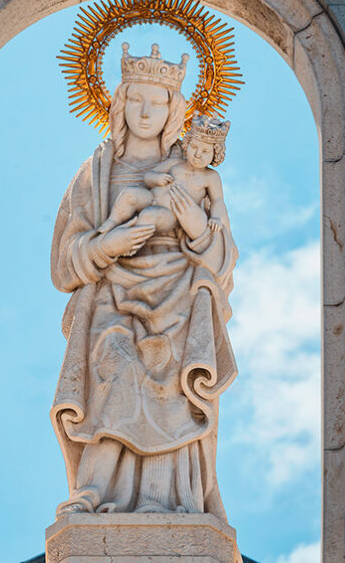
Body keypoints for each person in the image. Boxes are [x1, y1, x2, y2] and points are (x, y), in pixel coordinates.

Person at [50, 43, 238, 517]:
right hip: (112, 295)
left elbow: (222, 257)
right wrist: (104, 246)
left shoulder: (197, 172)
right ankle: (93, 491)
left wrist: (196, 227)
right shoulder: (96, 174)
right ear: (120, 101)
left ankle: (166, 497)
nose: (147, 111)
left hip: (178, 297)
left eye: (159, 101)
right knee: (116, 372)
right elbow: (64, 262)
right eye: (137, 99)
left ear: (175, 108)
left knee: (172, 390)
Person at [98, 114, 232, 237]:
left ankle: (132, 241)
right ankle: (112, 221)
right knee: (129, 194)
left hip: (170, 214)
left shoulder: (210, 177)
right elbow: (148, 176)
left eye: (205, 151)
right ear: (187, 145)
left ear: (215, 154)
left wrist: (216, 218)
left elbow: (218, 201)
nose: (197, 154)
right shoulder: (175, 163)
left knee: (149, 215)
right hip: (150, 198)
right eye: (194, 147)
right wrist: (157, 179)